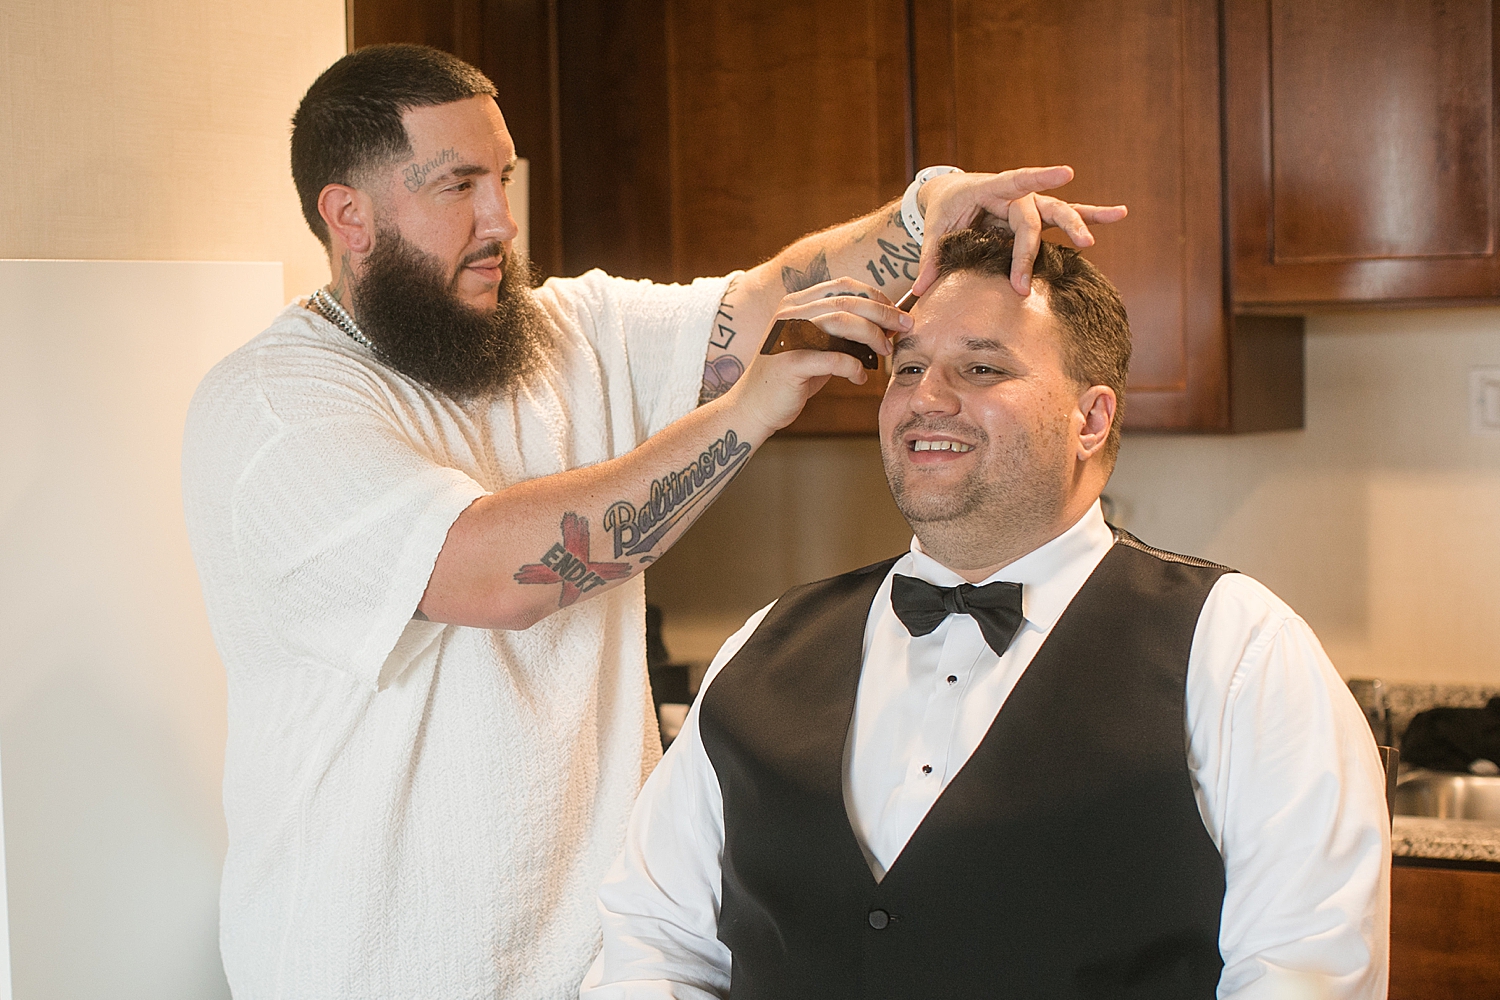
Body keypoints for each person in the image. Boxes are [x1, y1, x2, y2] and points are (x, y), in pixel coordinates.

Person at [180, 43, 1125, 1000]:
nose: (500, 220)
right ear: (349, 215)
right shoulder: (276, 409)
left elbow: (776, 294)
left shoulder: (563, 333)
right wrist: (744, 414)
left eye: (501, 178)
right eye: (457, 185)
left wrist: (926, 213)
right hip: (371, 974)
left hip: (602, 974)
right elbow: (492, 576)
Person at [583, 230, 1391, 1000]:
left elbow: (1305, 973)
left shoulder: (1241, 652)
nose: (927, 399)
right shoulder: (762, 650)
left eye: (981, 369)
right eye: (907, 370)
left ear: (1091, 418)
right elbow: (653, 941)